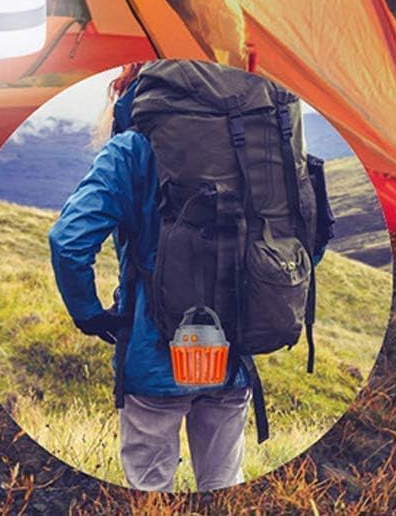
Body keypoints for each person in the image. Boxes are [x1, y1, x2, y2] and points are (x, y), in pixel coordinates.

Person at [49, 64, 252, 492]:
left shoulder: (131, 148)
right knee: (224, 487)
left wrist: (89, 313)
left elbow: (69, 241)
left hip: (154, 348)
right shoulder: (251, 137)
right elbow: (299, 242)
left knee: (148, 491)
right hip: (236, 350)